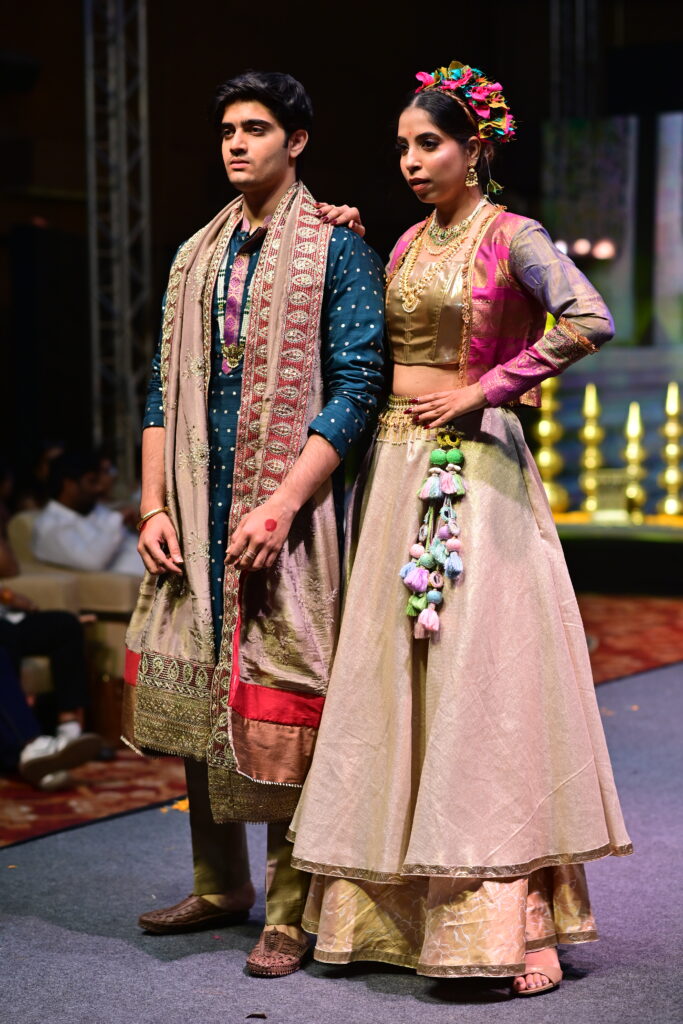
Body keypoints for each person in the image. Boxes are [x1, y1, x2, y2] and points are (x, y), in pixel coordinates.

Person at [289, 60, 632, 997]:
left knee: (475, 680)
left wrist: (485, 389)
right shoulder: (403, 246)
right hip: (398, 470)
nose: (409, 159)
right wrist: (351, 240)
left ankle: (497, 916)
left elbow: (587, 316)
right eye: (401, 145)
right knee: (395, 677)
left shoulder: (510, 235)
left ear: (474, 148)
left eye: (428, 143)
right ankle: (392, 916)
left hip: (471, 473)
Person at [125, 70, 386, 977]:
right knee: (204, 685)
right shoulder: (196, 253)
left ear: (297, 141)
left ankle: (289, 905)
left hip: (293, 513)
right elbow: (160, 388)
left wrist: (282, 504)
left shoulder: (338, 250)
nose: (237, 143)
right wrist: (153, 503)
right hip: (194, 509)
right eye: (228, 128)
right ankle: (218, 883)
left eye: (257, 128)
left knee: (286, 695)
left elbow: (358, 390)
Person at [32, 451, 143, 575]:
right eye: (92, 482)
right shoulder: (49, 527)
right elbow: (92, 562)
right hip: (129, 587)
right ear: (69, 485)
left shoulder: (90, 510)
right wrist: (119, 518)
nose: (99, 488)